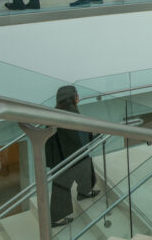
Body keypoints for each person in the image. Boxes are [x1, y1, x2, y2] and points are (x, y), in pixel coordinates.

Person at [46, 86, 99, 227]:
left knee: (85, 165)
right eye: (77, 95)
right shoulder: (71, 113)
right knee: (62, 186)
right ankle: (56, 219)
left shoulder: (56, 111)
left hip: (59, 157)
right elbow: (79, 138)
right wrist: (93, 136)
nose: (78, 97)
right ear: (73, 97)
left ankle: (84, 191)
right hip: (67, 159)